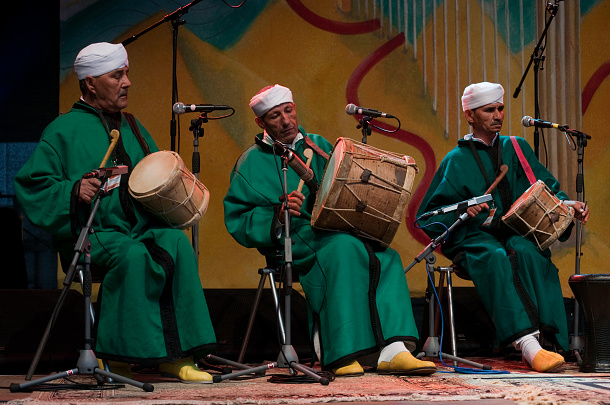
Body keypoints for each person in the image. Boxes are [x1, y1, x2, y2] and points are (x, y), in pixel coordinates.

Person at [14, 42, 216, 383]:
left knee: (175, 243)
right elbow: (32, 186)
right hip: (92, 235)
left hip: (137, 229)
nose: (127, 82)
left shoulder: (133, 126)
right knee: (133, 255)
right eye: (117, 75)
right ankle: (121, 357)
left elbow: (154, 173)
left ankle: (176, 354)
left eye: (127, 74)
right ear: (91, 83)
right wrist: (73, 189)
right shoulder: (61, 131)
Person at [223, 84, 436, 376]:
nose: (286, 120)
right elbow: (238, 216)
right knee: (343, 249)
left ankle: (393, 349)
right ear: (261, 122)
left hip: (332, 229)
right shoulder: (250, 162)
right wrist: (279, 213)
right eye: (275, 116)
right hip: (292, 236)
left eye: (289, 110)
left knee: (386, 256)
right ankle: (339, 351)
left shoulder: (318, 145)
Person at [416, 82, 590, 372]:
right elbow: (429, 216)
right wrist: (465, 209)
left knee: (527, 251)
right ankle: (527, 345)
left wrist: (566, 203)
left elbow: (544, 186)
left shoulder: (517, 148)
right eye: (489, 110)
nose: (497, 115)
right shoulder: (455, 161)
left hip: (512, 234)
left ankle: (551, 338)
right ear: (470, 116)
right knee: (494, 256)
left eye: (500, 108)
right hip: (472, 238)